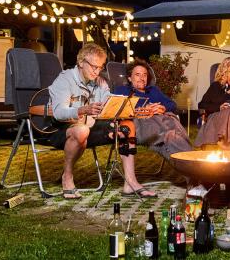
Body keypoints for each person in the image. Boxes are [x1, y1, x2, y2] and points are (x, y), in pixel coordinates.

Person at [48, 43, 156, 199]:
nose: (97, 71)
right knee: (81, 130)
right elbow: (58, 113)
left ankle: (130, 182)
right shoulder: (64, 80)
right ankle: (67, 176)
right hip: (61, 129)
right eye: (93, 66)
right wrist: (82, 110)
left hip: (90, 125)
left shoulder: (100, 82)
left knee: (126, 126)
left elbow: (108, 103)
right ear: (80, 62)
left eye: (100, 67)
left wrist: (130, 110)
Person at [113, 58, 192, 160]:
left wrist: (163, 108)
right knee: (174, 137)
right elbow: (116, 108)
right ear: (129, 78)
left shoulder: (153, 90)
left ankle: (190, 168)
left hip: (163, 126)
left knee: (170, 141)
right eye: (137, 74)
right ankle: (192, 163)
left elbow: (172, 104)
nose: (142, 78)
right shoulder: (122, 90)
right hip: (141, 126)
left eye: (144, 75)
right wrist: (143, 109)